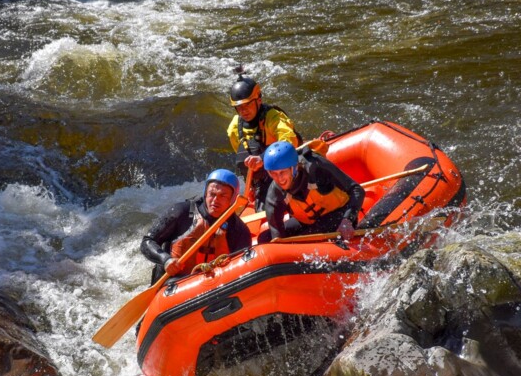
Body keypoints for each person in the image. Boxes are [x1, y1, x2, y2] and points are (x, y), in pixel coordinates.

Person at [140, 169, 252, 284]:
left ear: (232, 199)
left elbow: (243, 269)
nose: (215, 200)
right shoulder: (181, 212)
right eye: (212, 194)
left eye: (222, 196)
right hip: (173, 283)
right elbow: (147, 241)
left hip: (216, 283)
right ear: (205, 193)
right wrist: (165, 260)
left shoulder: (238, 230)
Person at [259, 141, 366, 242]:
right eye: (274, 173)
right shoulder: (274, 194)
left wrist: (347, 220)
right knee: (265, 238)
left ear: (294, 167)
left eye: (283, 172)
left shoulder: (316, 168)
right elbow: (277, 236)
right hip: (308, 223)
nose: (280, 179)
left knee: (307, 235)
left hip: (340, 215)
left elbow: (357, 190)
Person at [226, 68, 301, 211]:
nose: (243, 111)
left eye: (247, 104)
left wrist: (262, 159)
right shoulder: (234, 127)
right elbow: (243, 156)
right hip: (264, 178)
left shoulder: (273, 117)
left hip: (288, 170)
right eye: (239, 107)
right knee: (263, 210)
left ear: (258, 100)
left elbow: (290, 141)